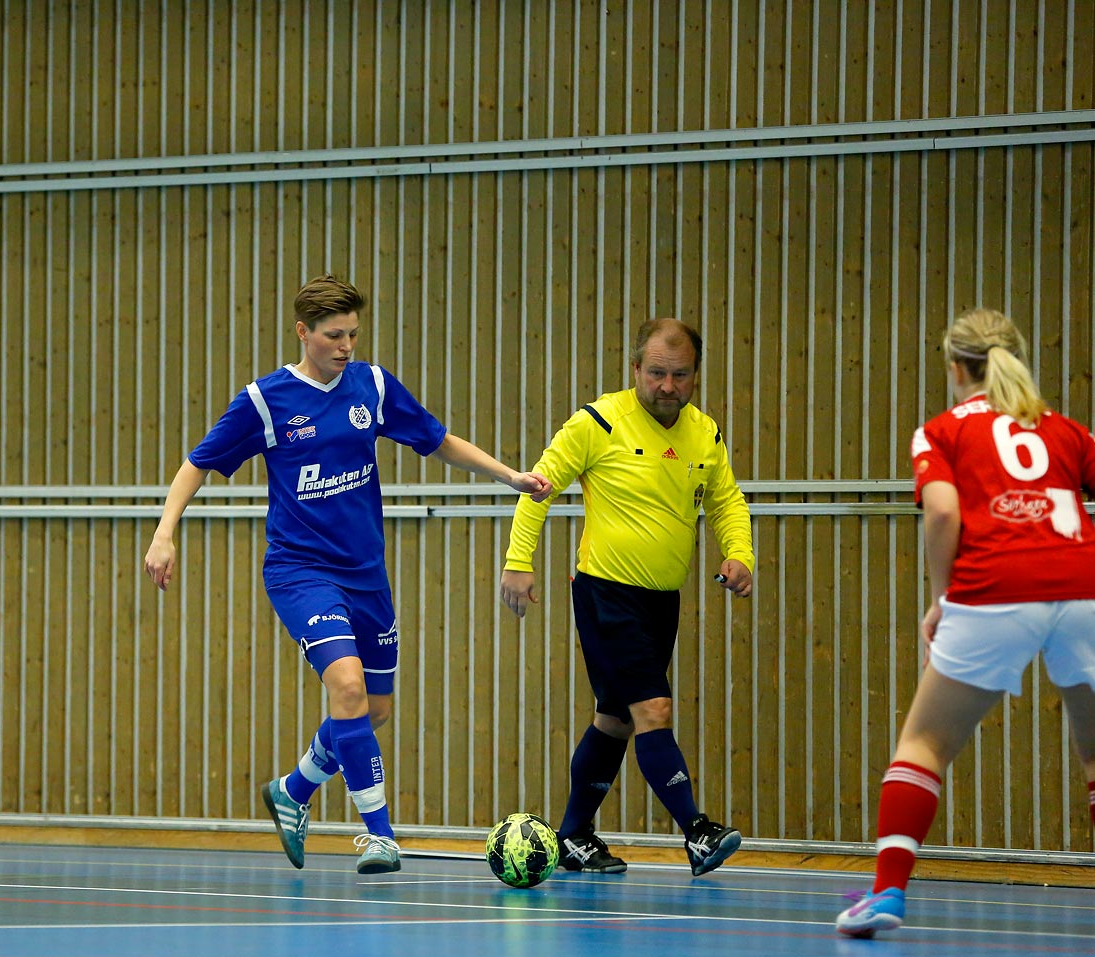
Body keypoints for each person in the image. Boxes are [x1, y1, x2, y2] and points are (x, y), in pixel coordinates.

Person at [144, 274, 552, 874]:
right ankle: (381, 835)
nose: (346, 347)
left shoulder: (373, 386)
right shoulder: (265, 401)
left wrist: (510, 476)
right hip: (300, 571)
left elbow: (438, 440)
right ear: (303, 332)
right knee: (349, 687)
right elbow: (197, 463)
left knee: (373, 710)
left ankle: (293, 790)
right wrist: (163, 533)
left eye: (354, 335)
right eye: (334, 335)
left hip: (367, 575)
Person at [837, 309, 1095, 937]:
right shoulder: (1066, 431)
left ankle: (888, 893)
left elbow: (945, 514)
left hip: (994, 589)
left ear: (954, 367)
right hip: (1083, 584)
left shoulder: (941, 431)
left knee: (924, 744)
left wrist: (940, 598)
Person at [499, 318, 755, 878]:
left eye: (680, 375)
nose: (668, 386)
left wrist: (741, 554)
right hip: (606, 593)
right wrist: (519, 562)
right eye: (657, 373)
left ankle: (573, 836)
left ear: (695, 376)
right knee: (652, 709)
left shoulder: (704, 434)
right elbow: (538, 487)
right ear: (635, 369)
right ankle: (697, 832)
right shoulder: (598, 421)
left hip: (662, 600)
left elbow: (726, 500)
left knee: (615, 719)